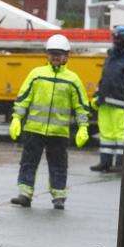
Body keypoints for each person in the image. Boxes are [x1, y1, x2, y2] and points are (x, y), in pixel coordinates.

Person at [9, 34, 89, 210]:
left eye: (59, 54)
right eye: (52, 54)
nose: (55, 57)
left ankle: (59, 197)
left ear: (67, 56)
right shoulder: (36, 75)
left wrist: (83, 126)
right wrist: (16, 118)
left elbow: (81, 106)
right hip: (34, 130)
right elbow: (23, 98)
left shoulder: (72, 79)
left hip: (58, 133)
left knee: (58, 166)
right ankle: (25, 194)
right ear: (47, 54)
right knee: (28, 163)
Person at [91, 25, 124, 173]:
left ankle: (121, 164)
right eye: (115, 37)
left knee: (120, 134)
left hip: (120, 102)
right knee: (106, 134)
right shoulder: (110, 57)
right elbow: (104, 78)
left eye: (119, 38)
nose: (116, 40)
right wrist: (97, 95)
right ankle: (105, 162)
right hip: (105, 102)